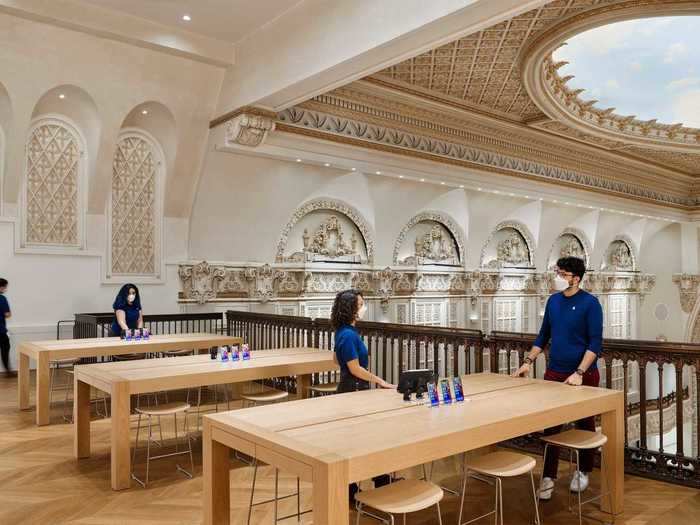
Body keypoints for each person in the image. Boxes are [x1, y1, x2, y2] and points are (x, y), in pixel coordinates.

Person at [512, 256, 603, 500]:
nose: (557, 276)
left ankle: (584, 471)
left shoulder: (591, 303)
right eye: (557, 271)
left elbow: (595, 343)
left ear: (576, 277)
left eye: (562, 273)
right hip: (554, 372)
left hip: (583, 376)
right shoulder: (553, 302)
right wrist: (527, 362)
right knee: (551, 426)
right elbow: (543, 336)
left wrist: (580, 373)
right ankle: (548, 476)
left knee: (585, 425)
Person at [331, 289, 396, 502]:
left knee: (356, 440)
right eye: (360, 304)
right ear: (352, 309)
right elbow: (355, 368)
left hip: (347, 389)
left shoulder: (342, 331)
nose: (363, 307)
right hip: (355, 390)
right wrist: (380, 381)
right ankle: (375, 483)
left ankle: (363, 486)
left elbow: (335, 360)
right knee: (366, 439)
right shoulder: (349, 334)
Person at [0, 278, 13, 376]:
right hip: (1, 330)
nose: (5, 289)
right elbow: (7, 314)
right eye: (5, 287)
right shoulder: (2, 299)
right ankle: (8, 371)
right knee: (5, 348)